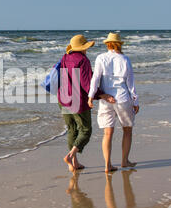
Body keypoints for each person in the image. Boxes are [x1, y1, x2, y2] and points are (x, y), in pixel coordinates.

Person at [58, 34, 115, 173]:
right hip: (77, 100)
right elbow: (86, 83)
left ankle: (74, 163)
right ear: (83, 48)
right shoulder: (83, 60)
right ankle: (70, 156)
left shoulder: (65, 57)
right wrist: (101, 94)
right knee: (85, 130)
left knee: (72, 130)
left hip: (63, 97)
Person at [88, 32, 139, 173]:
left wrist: (91, 96)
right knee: (127, 130)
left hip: (106, 99)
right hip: (123, 98)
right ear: (119, 44)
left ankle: (107, 165)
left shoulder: (101, 58)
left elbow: (95, 79)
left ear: (107, 44)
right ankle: (124, 161)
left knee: (107, 133)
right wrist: (136, 100)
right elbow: (130, 83)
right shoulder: (125, 59)